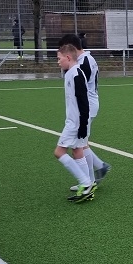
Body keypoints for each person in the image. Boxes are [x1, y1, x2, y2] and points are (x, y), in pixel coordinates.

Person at [61, 33, 111, 187]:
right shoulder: (87, 58)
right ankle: (97, 170)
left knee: (80, 145)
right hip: (88, 103)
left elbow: (81, 86)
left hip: (87, 104)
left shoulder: (84, 61)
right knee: (83, 143)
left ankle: (89, 181)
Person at [54, 43, 95, 202]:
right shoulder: (71, 73)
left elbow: (83, 101)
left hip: (75, 122)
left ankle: (85, 183)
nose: (58, 62)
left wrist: (83, 124)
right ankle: (88, 184)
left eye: (59, 59)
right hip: (75, 121)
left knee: (59, 152)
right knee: (77, 151)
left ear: (68, 57)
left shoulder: (76, 74)